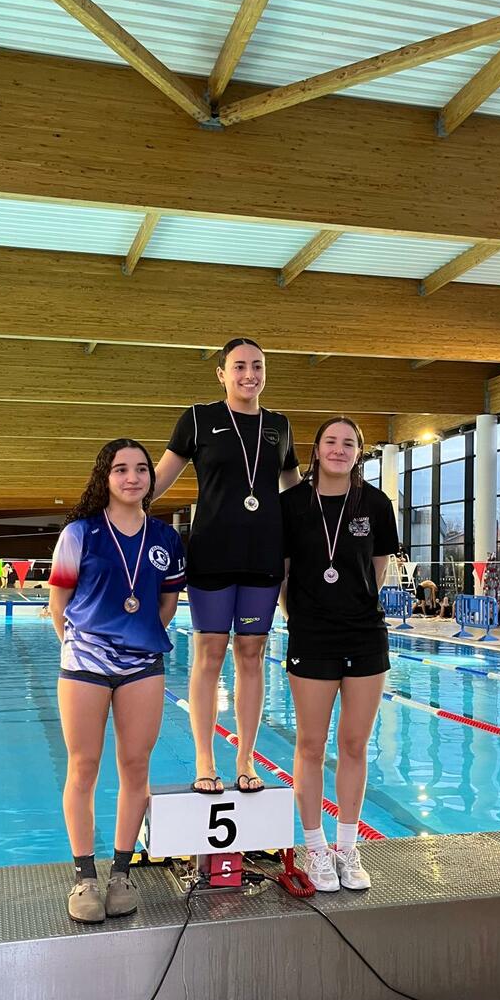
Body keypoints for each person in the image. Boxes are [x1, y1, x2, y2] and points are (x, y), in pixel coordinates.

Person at [153, 339, 300, 795]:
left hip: (263, 557)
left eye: (257, 366)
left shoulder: (279, 426)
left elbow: (294, 492)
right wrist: (110, 515)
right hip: (212, 555)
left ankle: (245, 759)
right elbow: (157, 482)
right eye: (239, 366)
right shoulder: (198, 419)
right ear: (221, 374)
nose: (249, 374)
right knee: (210, 654)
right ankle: (204, 758)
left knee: (252, 655)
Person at [48, 439, 186, 923]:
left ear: (151, 478)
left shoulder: (166, 538)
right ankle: (85, 876)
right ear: (104, 478)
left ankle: (122, 873)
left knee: (135, 766)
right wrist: (81, 646)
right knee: (83, 766)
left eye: (142, 469)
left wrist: (137, 637)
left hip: (143, 664)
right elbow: (59, 603)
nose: (132, 477)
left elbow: (167, 604)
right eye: (121, 469)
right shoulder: (80, 533)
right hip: (84, 662)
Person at [280, 416, 398, 892]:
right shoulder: (291, 504)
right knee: (310, 745)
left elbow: (378, 569)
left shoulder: (375, 504)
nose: (339, 449)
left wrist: (353, 606)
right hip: (312, 636)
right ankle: (315, 848)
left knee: (354, 745)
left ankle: (347, 848)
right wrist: (301, 616)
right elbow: (284, 575)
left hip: (365, 635)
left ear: (358, 453)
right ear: (316, 450)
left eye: (349, 443)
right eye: (331, 441)